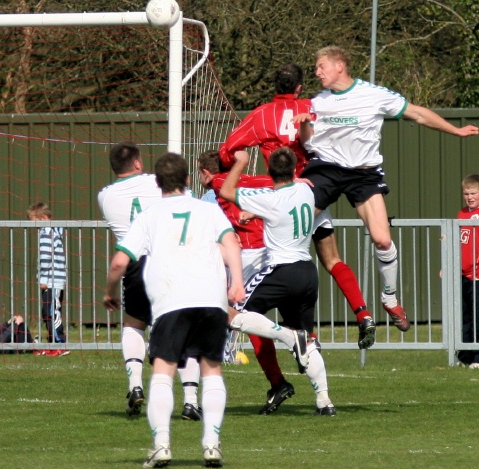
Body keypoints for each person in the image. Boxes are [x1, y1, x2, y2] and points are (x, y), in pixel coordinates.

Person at [294, 46, 479, 333]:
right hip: (327, 170)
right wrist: (305, 125)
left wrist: (454, 131)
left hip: (364, 174)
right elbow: (306, 141)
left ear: (340, 65)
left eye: (321, 66)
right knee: (296, 222)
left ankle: (390, 298)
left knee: (382, 240)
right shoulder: (317, 102)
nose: (316, 72)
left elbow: (417, 114)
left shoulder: (374, 94)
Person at [219, 62, 374, 351]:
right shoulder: (313, 107)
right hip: (310, 195)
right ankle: (362, 314)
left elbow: (228, 150)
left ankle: (281, 370)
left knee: (267, 283)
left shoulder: (261, 115)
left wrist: (236, 161)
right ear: (300, 87)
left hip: (278, 201)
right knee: (332, 261)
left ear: (275, 85)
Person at [102, 153, 244, 468]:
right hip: (211, 299)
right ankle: (212, 445)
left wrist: (109, 292)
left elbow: (119, 262)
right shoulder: (208, 209)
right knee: (212, 371)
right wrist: (238, 283)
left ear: (157, 182)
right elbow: (231, 241)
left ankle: (162, 445)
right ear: (187, 180)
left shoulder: (149, 215)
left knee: (163, 371)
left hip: (172, 300)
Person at [221, 147, 336, 416]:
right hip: (308, 272)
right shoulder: (306, 190)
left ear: (270, 172)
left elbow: (227, 191)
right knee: (307, 341)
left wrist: (240, 163)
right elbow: (294, 191)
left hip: (282, 271)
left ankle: (286, 337)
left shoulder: (270, 198)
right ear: (295, 169)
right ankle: (324, 401)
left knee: (233, 312)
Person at [98, 142, 203, 421]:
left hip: (133, 265)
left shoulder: (105, 196)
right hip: (169, 261)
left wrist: (109, 290)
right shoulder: (155, 184)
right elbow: (184, 198)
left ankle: (134, 385)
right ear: (137, 163)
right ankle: (191, 400)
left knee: (133, 325)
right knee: (185, 330)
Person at [27, 202, 68, 354]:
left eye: (33, 221)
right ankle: (53, 342)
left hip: (52, 280)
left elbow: (46, 258)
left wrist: (43, 279)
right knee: (49, 311)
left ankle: (59, 343)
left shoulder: (46, 233)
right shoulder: (54, 231)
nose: (33, 226)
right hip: (54, 279)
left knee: (51, 311)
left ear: (43, 218)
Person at [457, 174, 479, 369]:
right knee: (465, 317)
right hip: (464, 275)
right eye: (466, 193)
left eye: (473, 193)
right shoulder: (462, 214)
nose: (469, 197)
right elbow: (460, 243)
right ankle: (465, 356)